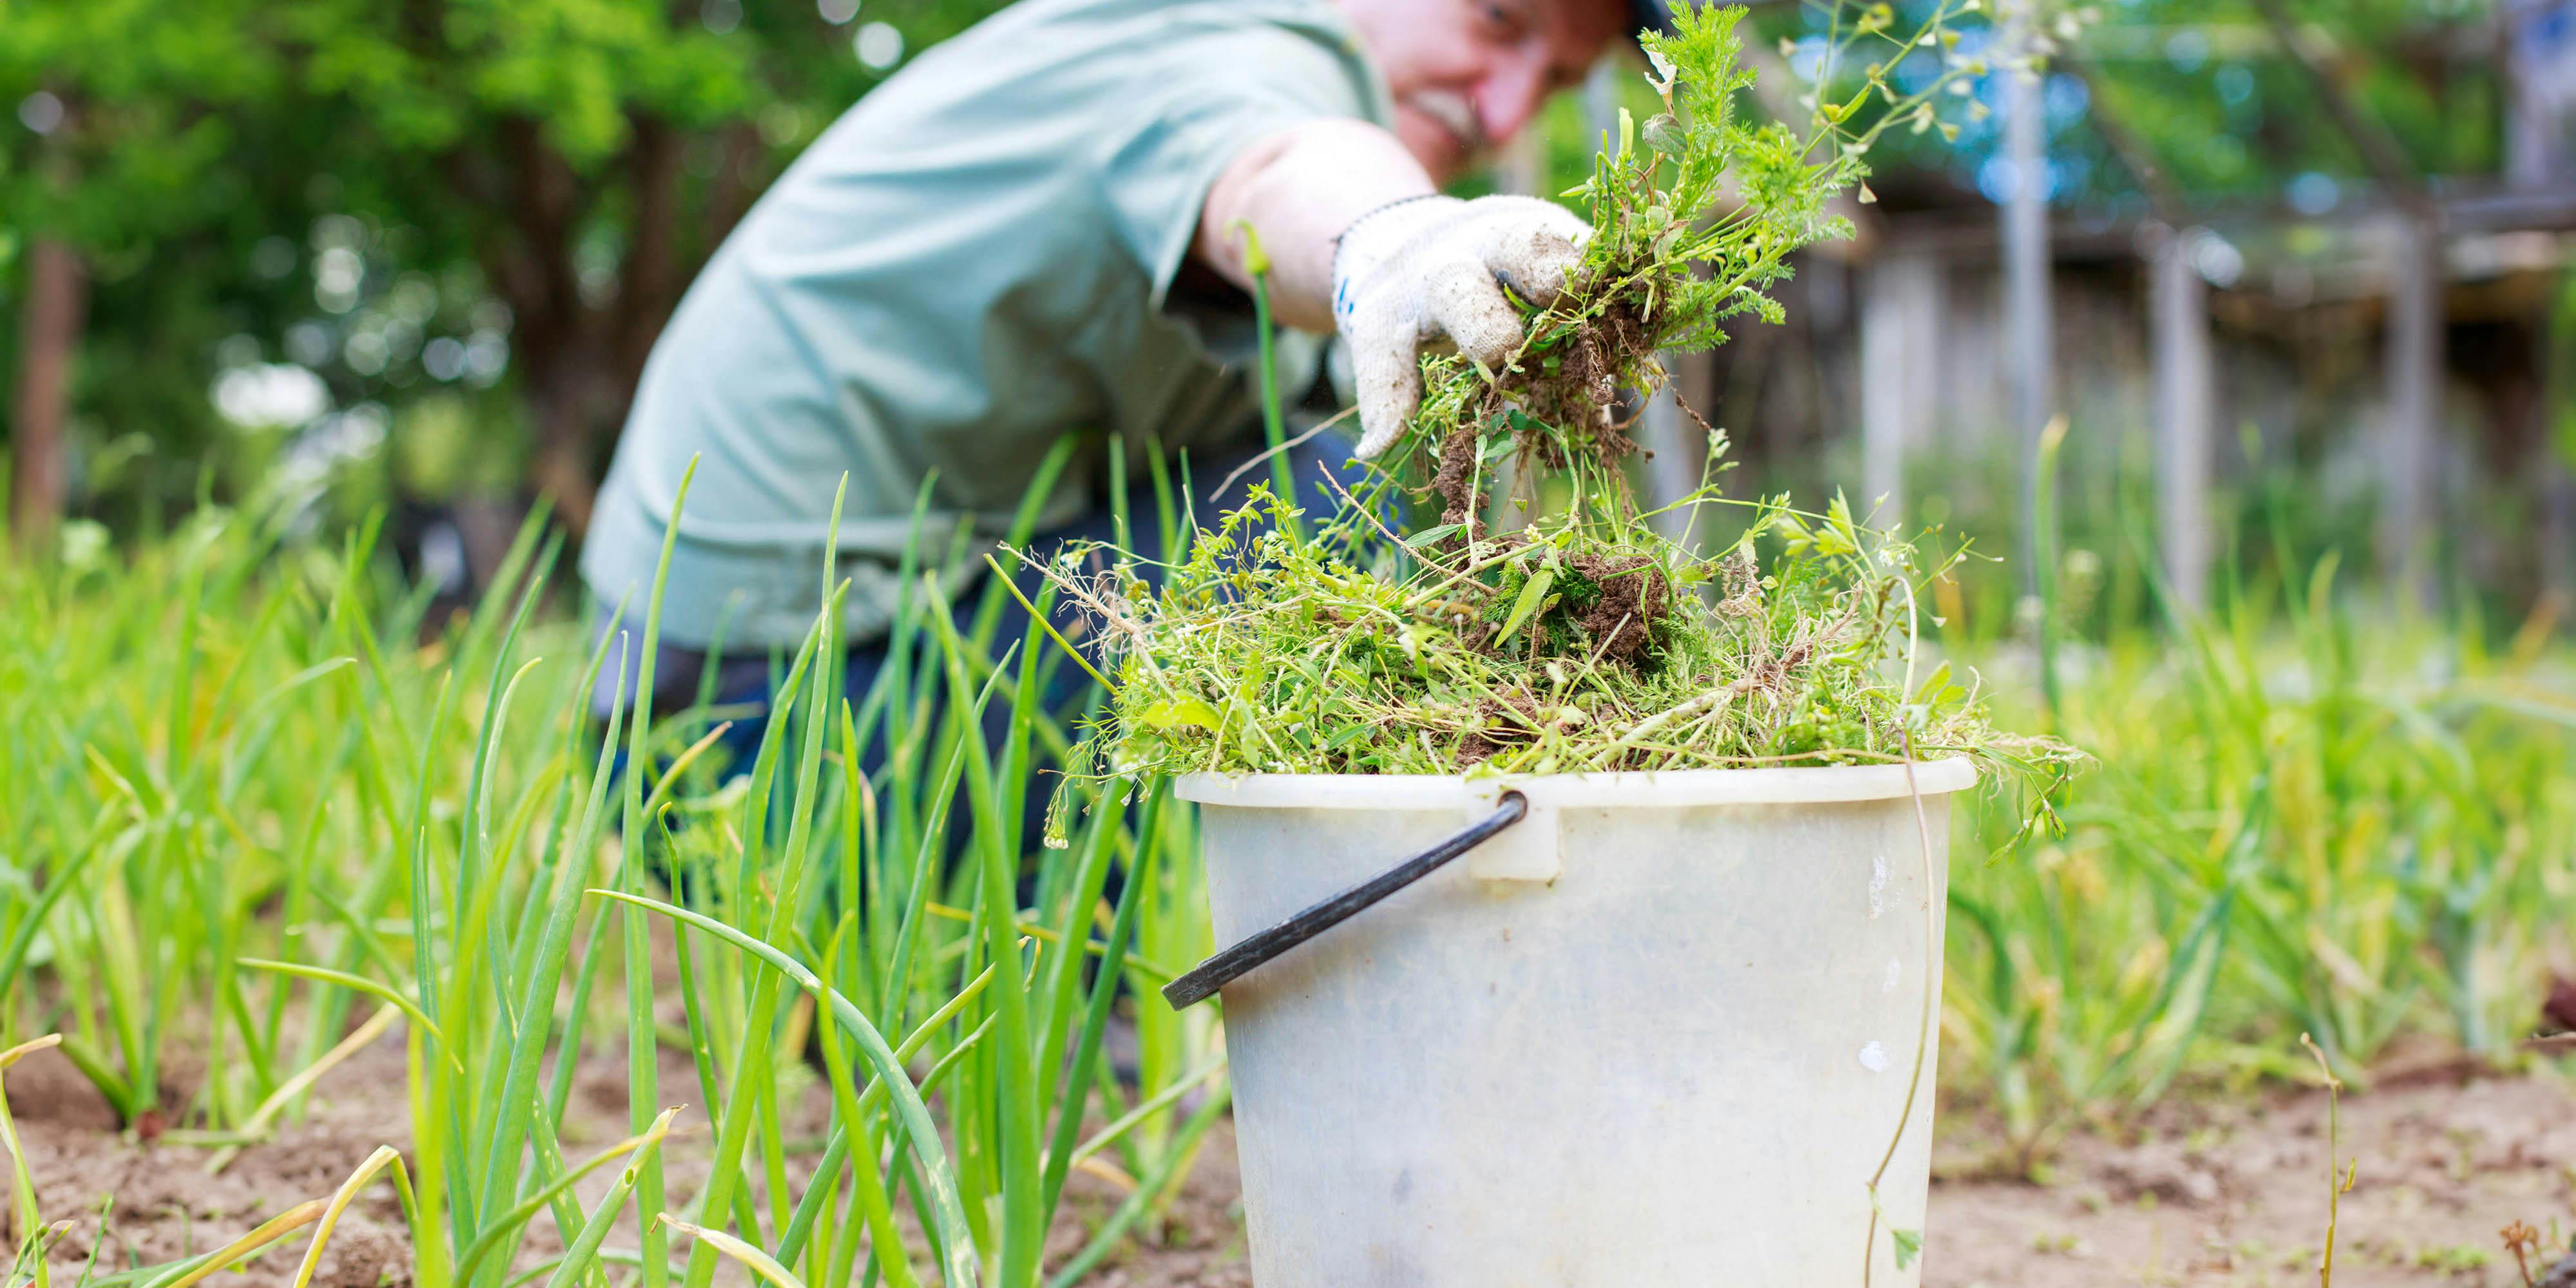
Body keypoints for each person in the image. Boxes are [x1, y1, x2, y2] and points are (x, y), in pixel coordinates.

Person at [582, 0, 1658, 763]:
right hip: (746, 719)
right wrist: (1393, 237)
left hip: (782, 678)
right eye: (1499, 22)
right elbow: (1275, 164)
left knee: (1336, 474)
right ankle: (1025, 992)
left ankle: (1067, 985)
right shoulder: (1232, 37)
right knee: (1333, 504)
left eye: (1558, 80)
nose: (1507, 110)